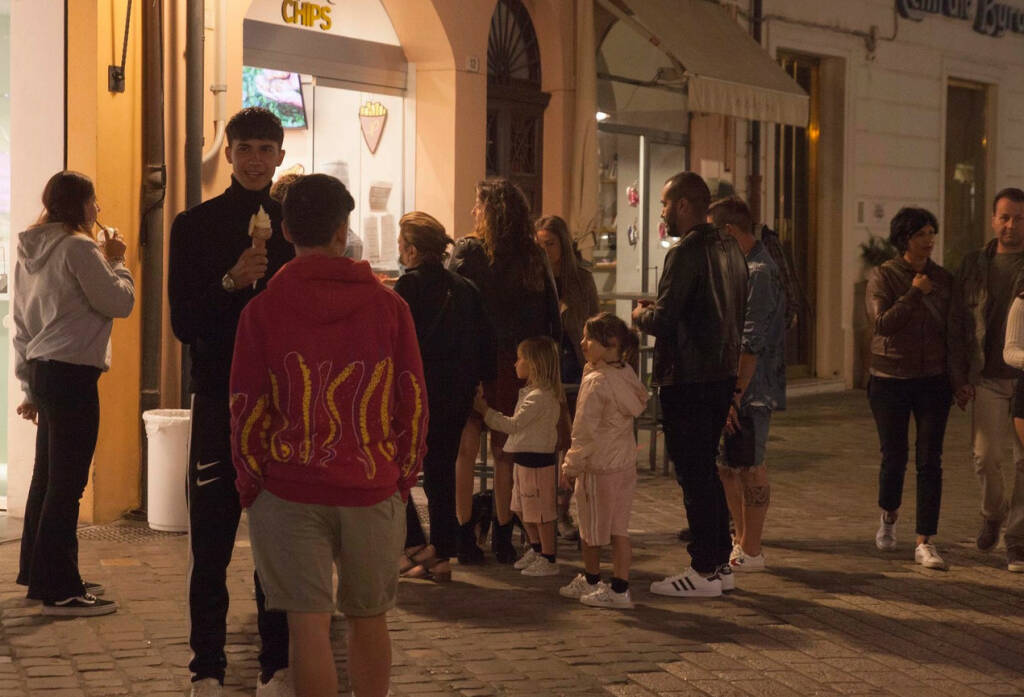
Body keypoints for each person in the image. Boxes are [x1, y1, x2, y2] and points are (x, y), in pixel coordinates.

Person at [230, 173, 427, 697]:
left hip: (290, 488)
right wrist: (401, 475)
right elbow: (411, 400)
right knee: (370, 619)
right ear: (343, 231)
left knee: (307, 626)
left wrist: (252, 482)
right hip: (370, 484)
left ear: (286, 231)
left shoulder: (262, 310)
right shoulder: (390, 308)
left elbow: (246, 407)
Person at [168, 107, 293, 697]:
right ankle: (207, 666)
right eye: (244, 147)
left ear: (281, 157)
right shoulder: (193, 226)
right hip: (218, 395)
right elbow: (182, 323)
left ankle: (277, 661)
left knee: (277, 540)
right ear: (228, 152)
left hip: (280, 404)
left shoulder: (297, 228)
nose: (254, 159)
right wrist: (229, 284)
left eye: (266, 149)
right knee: (211, 539)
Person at [13, 170, 134, 617]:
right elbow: (118, 303)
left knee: (47, 478)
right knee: (68, 483)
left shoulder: (29, 248)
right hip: (72, 375)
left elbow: (23, 325)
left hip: (46, 371)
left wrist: (28, 384)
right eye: (94, 201)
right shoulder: (80, 247)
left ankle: (38, 571)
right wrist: (117, 260)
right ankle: (60, 587)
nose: (98, 209)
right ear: (80, 205)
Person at [632, 171, 747, 599]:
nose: (661, 212)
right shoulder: (731, 248)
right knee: (707, 471)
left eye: (664, 204)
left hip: (689, 376)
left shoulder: (686, 252)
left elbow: (665, 319)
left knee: (694, 473)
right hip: (720, 373)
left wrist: (641, 314)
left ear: (684, 204)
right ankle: (718, 564)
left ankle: (703, 568)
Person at [449, 178, 560, 564]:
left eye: (478, 206)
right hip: (518, 362)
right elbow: (551, 312)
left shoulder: (470, 250)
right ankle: (502, 534)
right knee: (505, 452)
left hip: (475, 359)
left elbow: (455, 307)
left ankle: (462, 534)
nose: (473, 213)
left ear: (490, 211)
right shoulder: (534, 256)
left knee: (465, 448)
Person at [395, 211, 494, 581]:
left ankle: (414, 546)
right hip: (457, 396)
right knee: (440, 473)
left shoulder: (409, 288)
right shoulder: (466, 288)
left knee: (398, 472)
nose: (399, 250)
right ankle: (440, 555)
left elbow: (398, 343)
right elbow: (486, 342)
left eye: (401, 244)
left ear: (414, 250)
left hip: (417, 394)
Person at [865, 208, 954, 570]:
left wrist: (960, 379)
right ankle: (889, 516)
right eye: (921, 233)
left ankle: (925, 541)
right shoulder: (883, 276)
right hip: (889, 380)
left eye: (932, 232)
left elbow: (955, 330)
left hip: (933, 379)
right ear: (905, 238)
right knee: (895, 457)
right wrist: (914, 294)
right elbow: (882, 324)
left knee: (930, 460)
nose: (929, 240)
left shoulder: (944, 279)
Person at [710, 198, 787, 574]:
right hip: (735, 382)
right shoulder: (739, 268)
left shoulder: (759, 271)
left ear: (727, 232)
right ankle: (740, 542)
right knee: (728, 464)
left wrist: (736, 392)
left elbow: (752, 338)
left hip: (752, 388)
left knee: (750, 464)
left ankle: (751, 548)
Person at [950, 187, 1024, 573]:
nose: (1010, 225)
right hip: (988, 377)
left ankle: (1017, 540)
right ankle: (992, 514)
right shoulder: (975, 264)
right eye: (1004, 217)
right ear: (994, 219)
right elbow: (959, 323)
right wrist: (959, 376)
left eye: (1018, 218)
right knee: (985, 457)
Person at [559, 313, 647, 609]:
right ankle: (620, 586)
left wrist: (570, 466)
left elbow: (583, 429)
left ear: (607, 343)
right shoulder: (625, 373)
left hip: (598, 466)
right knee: (619, 529)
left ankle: (593, 578)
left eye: (588, 338)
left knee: (591, 528)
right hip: (623, 463)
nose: (582, 343)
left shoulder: (596, 381)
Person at [474, 336, 563, 576]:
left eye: (520, 358)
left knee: (541, 512)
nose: (515, 363)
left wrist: (486, 412)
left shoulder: (539, 397)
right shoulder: (530, 393)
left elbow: (514, 425)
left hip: (537, 462)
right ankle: (536, 548)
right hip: (523, 459)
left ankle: (548, 557)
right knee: (522, 507)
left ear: (533, 364)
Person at [535, 215, 600, 541]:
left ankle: (563, 510)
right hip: (544, 365)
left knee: (572, 439)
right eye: (541, 244)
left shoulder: (580, 280)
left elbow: (592, 321)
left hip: (573, 361)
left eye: (551, 244)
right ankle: (542, 512)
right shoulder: (533, 279)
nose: (546, 251)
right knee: (546, 438)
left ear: (563, 245)